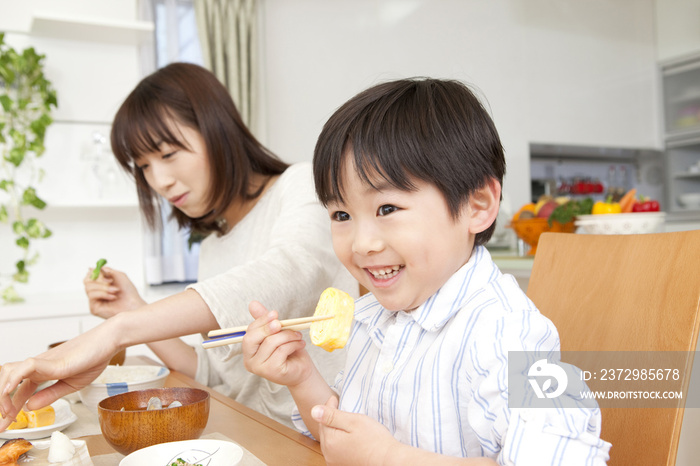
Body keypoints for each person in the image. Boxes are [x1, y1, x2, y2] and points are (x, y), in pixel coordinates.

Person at [241, 78, 612, 464]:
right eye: (341, 215)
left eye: (387, 208)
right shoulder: (374, 317)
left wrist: (391, 458)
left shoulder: (507, 331)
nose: (361, 243)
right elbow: (350, 443)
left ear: (477, 205)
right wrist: (301, 377)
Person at [0, 62, 356, 430]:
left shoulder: (300, 185)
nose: (160, 181)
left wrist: (117, 331)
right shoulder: (213, 244)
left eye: (168, 155)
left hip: (324, 434)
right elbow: (214, 373)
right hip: (250, 433)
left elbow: (291, 271)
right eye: (144, 167)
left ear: (218, 129)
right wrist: (133, 307)